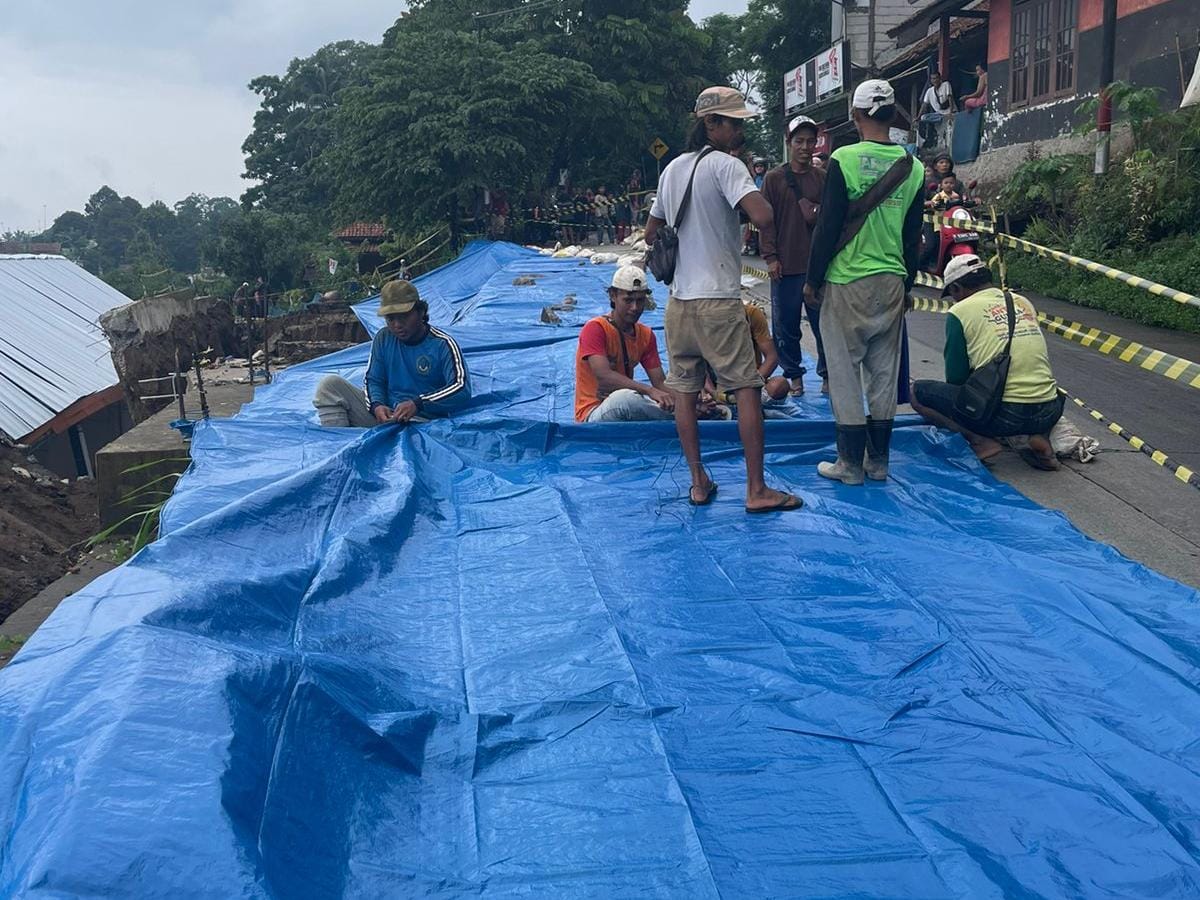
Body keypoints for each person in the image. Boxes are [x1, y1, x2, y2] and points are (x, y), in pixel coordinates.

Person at [645, 85, 801, 513]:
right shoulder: (727, 166)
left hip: (679, 303)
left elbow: (651, 232)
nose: (739, 130)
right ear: (710, 123)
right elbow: (764, 215)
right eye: (733, 123)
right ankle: (756, 489)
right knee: (747, 390)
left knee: (684, 392)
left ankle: (698, 482)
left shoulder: (672, 169)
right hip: (718, 300)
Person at [805, 78, 926, 485]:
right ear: (892, 115)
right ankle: (879, 462)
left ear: (855, 116)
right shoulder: (913, 167)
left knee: (844, 372)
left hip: (847, 281)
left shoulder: (844, 158)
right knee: (883, 374)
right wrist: (907, 285)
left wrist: (812, 279)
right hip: (891, 280)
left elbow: (828, 226)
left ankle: (850, 465)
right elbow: (912, 236)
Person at [911, 254, 1063, 470]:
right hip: (1050, 410)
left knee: (916, 393)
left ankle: (980, 441)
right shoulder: (1022, 302)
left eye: (953, 294)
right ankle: (1039, 437)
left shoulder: (960, 311)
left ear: (956, 288)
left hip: (1006, 414)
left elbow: (956, 378)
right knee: (1028, 388)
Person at [312, 280, 470, 427]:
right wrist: (377, 405)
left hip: (423, 423)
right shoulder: (383, 338)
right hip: (387, 416)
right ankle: (342, 443)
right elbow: (374, 379)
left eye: (404, 317)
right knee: (329, 386)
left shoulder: (442, 344)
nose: (397, 325)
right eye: (391, 319)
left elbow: (461, 388)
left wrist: (418, 404)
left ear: (421, 312)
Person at [761, 115, 827, 395]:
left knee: (823, 324)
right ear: (789, 142)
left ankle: (827, 375)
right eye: (799, 141)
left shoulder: (822, 178)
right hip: (785, 265)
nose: (805, 147)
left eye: (810, 141)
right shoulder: (774, 179)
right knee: (786, 325)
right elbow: (766, 221)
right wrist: (771, 257)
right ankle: (794, 375)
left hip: (816, 266)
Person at [574, 265, 675, 422]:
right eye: (628, 300)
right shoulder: (595, 328)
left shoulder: (646, 334)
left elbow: (660, 382)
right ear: (613, 296)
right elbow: (604, 376)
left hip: (623, 401)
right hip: (593, 413)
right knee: (626, 400)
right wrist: (649, 391)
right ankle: (682, 417)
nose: (635, 308)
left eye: (640, 301)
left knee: (676, 393)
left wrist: (685, 400)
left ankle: (687, 412)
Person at [708, 302, 790, 406]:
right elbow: (696, 365)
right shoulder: (702, 319)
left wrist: (754, 383)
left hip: (749, 378)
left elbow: (772, 357)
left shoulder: (751, 314)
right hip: (714, 379)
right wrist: (713, 393)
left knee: (779, 385)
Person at [920, 71, 956, 149]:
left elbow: (950, 97)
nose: (935, 80)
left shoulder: (946, 84)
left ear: (940, 79)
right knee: (923, 117)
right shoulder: (929, 91)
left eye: (936, 78)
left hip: (949, 112)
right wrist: (918, 116)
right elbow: (924, 104)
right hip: (939, 115)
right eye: (933, 79)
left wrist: (950, 113)